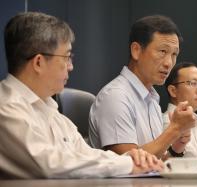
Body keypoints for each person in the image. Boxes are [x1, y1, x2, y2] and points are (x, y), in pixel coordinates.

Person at [0, 12, 163, 179]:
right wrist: (127, 164)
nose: (70, 66)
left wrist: (131, 158)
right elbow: (51, 164)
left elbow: (87, 155)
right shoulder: (7, 108)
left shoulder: (52, 112)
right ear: (39, 62)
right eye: (66, 57)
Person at [89, 15, 197, 159]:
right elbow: (130, 162)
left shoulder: (152, 99)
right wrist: (174, 129)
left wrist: (176, 148)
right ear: (136, 50)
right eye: (163, 51)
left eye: (174, 54)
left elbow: (154, 163)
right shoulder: (115, 96)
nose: (169, 63)